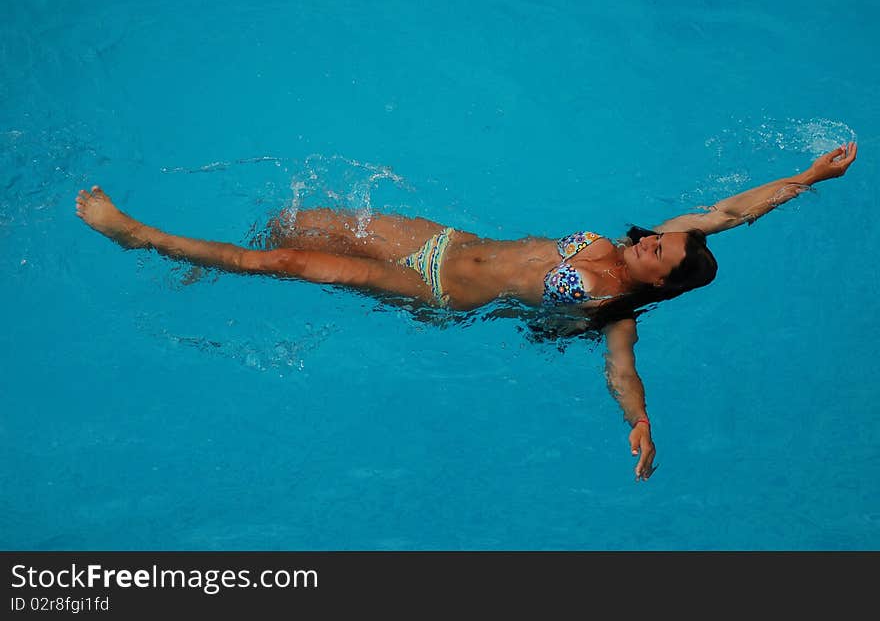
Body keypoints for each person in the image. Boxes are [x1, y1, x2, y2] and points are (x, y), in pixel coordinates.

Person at [75, 142, 858, 480]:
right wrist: (806, 178)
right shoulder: (646, 245)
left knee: (280, 263)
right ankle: (198, 267)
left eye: (664, 249)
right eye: (663, 236)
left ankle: (137, 237)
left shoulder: (616, 309)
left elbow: (623, 372)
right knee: (294, 221)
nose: (656, 236)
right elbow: (728, 210)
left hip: (436, 292)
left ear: (665, 280)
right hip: (441, 239)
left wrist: (640, 422)